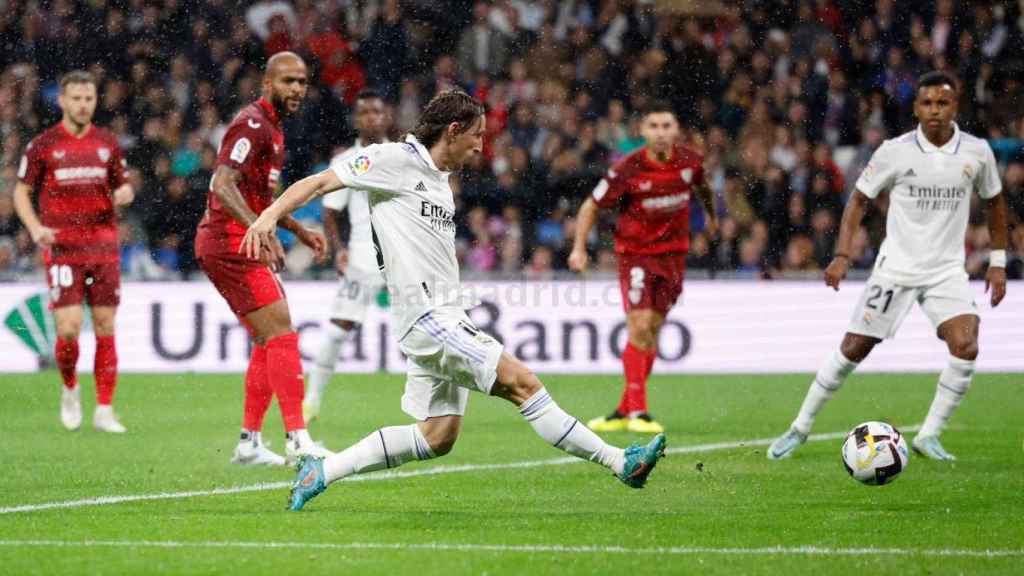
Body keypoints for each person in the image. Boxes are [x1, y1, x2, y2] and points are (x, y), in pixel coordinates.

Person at [240, 90, 665, 511]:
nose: (481, 146)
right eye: (477, 136)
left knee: (437, 436)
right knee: (523, 383)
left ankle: (322, 471)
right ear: (453, 130)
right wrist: (267, 217)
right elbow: (319, 182)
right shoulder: (392, 160)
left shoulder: (440, 182)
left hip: (443, 314)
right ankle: (619, 461)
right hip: (427, 317)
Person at [767, 71, 1008, 461]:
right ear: (915, 108)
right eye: (927, 103)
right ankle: (799, 428)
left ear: (955, 107)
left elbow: (996, 203)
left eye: (942, 103)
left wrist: (997, 263)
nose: (934, 111)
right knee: (853, 348)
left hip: (946, 270)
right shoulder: (895, 151)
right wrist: (843, 255)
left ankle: (929, 435)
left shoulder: (976, 152)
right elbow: (858, 200)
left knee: (966, 344)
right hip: (896, 268)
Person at [194, 52, 329, 466]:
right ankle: (297, 438)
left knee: (268, 339)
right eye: (288, 81)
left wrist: (297, 228)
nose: (297, 89)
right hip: (230, 242)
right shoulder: (252, 124)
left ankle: (250, 443)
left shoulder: (273, 130)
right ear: (267, 83)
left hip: (236, 238)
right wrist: (259, 228)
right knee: (283, 333)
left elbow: (260, 196)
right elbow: (222, 183)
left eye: (302, 82)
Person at [568, 100, 718, 434]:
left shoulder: (690, 163)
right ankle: (638, 411)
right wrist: (579, 248)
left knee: (651, 330)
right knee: (639, 325)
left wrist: (711, 216)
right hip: (636, 256)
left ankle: (623, 408)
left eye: (667, 126)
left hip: (674, 258)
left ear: (677, 130)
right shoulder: (627, 169)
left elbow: (703, 188)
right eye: (654, 126)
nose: (661, 133)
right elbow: (590, 206)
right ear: (642, 131)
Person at [14, 70, 134, 433]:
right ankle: (70, 388)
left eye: (89, 99)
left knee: (104, 325)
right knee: (67, 330)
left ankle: (104, 408)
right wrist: (36, 229)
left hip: (103, 246)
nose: (83, 105)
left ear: (95, 101)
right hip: (64, 248)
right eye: (77, 99)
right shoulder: (43, 145)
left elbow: (122, 187)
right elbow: (21, 191)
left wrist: (125, 194)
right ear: (63, 101)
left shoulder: (108, 143)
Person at [303, 90, 390, 423]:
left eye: (377, 111)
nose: (371, 117)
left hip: (404, 259)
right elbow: (329, 210)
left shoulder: (402, 154)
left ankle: (437, 405)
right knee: (339, 329)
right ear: (357, 120)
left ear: (387, 116)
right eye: (365, 112)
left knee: (426, 329)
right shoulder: (345, 162)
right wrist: (339, 249)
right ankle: (311, 402)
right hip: (363, 260)